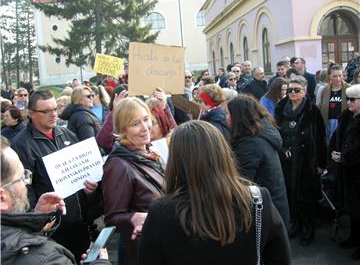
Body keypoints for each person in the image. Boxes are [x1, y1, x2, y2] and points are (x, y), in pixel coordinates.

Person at [138, 120, 291, 265]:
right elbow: (280, 258)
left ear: (176, 161)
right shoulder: (257, 200)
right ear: (222, 153)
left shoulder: (160, 213)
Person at [11, 90, 98, 262]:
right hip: (52, 228)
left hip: (78, 222)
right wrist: (40, 221)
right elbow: (25, 191)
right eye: (46, 111)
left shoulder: (65, 134)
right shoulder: (21, 145)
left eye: (55, 109)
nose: (54, 115)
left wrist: (89, 188)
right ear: (31, 114)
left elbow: (81, 171)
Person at [0, 136, 110, 265]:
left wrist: (36, 221)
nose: (26, 183)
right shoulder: (49, 259)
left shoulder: (67, 134)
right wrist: (100, 263)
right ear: (2, 198)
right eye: (21, 177)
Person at [102, 97, 164, 265]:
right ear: (123, 129)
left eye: (146, 120)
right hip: (143, 251)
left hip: (163, 244)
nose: (145, 128)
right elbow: (112, 218)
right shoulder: (118, 165)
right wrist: (133, 218)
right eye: (135, 124)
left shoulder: (149, 150)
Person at [275, 76, 327, 246]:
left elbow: (320, 138)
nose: (292, 93)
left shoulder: (313, 111)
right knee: (290, 195)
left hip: (307, 161)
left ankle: (309, 229)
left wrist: (321, 163)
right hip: (286, 160)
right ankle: (296, 224)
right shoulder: (280, 107)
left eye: (296, 90)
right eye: (290, 90)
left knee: (307, 198)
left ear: (305, 92)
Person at [228, 95, 289, 226]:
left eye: (228, 114)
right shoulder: (259, 135)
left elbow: (242, 184)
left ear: (238, 117)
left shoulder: (249, 145)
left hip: (264, 215)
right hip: (273, 209)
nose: (226, 118)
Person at [330, 84, 360, 261]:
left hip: (356, 172)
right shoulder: (346, 117)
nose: (348, 102)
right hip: (347, 173)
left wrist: (345, 157)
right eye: (347, 99)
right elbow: (337, 138)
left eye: (352, 100)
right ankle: (354, 238)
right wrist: (334, 152)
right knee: (352, 209)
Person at [318, 64, 351, 145]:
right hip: (328, 124)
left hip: (344, 124)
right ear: (329, 76)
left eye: (340, 75)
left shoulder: (349, 88)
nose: (338, 79)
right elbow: (319, 106)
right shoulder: (324, 90)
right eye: (335, 76)